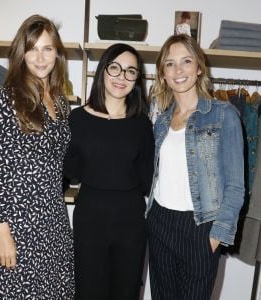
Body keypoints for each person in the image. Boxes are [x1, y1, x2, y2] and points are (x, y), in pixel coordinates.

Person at [0, 14, 75, 299]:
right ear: (21, 53)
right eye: (32, 48)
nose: (39, 57)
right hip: (16, 224)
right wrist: (2, 233)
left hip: (53, 222)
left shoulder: (60, 101)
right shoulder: (8, 99)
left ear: (57, 53)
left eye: (47, 48)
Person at [146, 34, 244, 300]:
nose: (178, 70)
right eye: (170, 64)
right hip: (160, 223)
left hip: (200, 226)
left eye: (186, 61)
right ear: (163, 74)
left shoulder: (225, 115)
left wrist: (216, 236)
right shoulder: (161, 123)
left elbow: (236, 186)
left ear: (199, 68)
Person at [65, 43, 154, 300]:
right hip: (90, 220)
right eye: (115, 68)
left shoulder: (142, 124)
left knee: (126, 293)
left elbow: (148, 179)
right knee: (88, 293)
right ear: (103, 70)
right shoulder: (78, 119)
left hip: (131, 223)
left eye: (130, 71)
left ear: (137, 80)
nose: (121, 77)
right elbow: (69, 172)